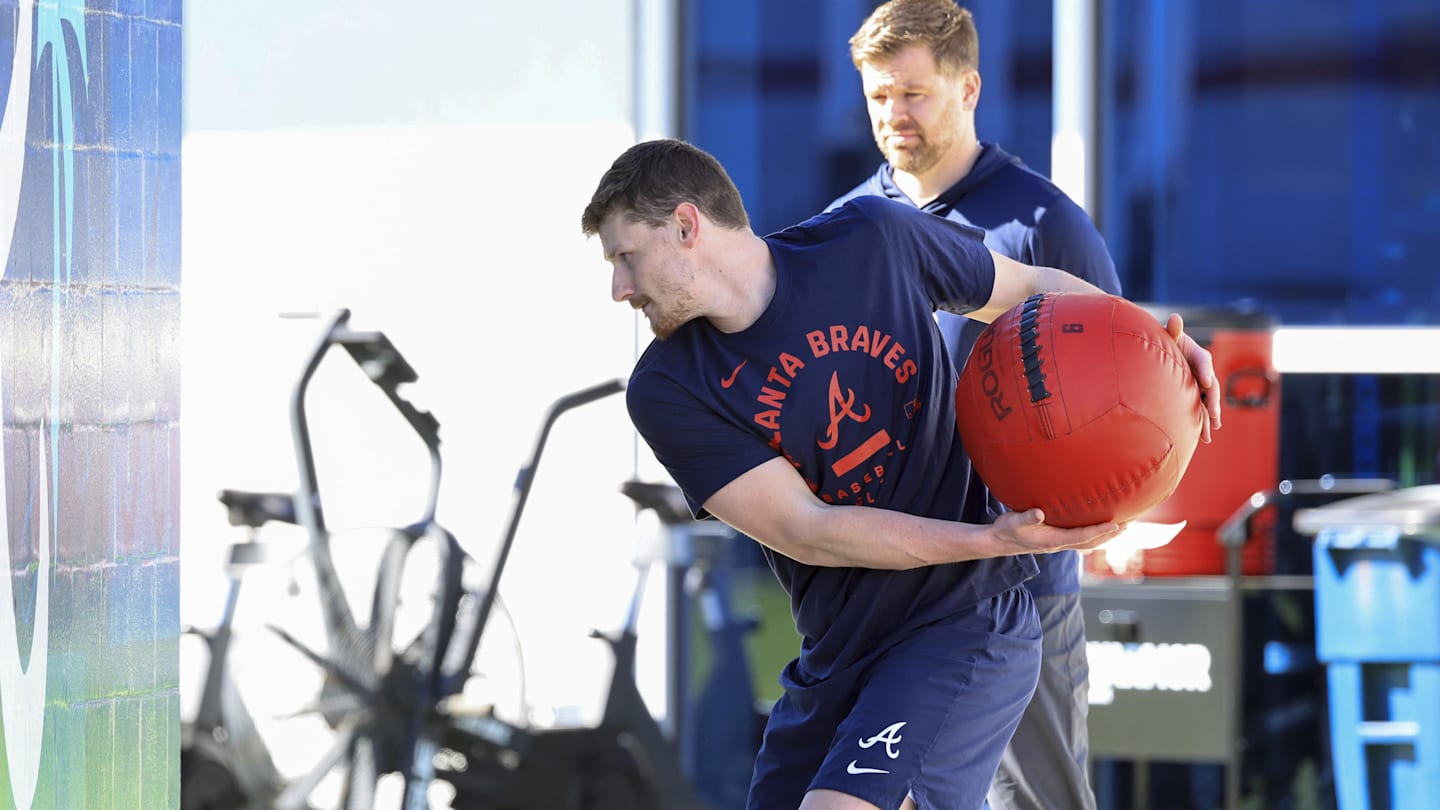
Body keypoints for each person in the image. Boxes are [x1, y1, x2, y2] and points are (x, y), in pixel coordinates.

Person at [580, 138, 1219, 810]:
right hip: (838, 658)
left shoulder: (872, 240)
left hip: (963, 623)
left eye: (626, 257)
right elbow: (809, 529)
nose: (619, 288)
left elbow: (1032, 291)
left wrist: (1157, 350)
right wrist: (991, 538)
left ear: (686, 226)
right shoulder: (669, 386)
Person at [827, 2, 1120, 808]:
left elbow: (1120, 396)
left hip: (1020, 588)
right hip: (895, 585)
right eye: (879, 95)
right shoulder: (848, 229)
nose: (894, 116)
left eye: (914, 94)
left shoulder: (1041, 227)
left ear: (969, 88)